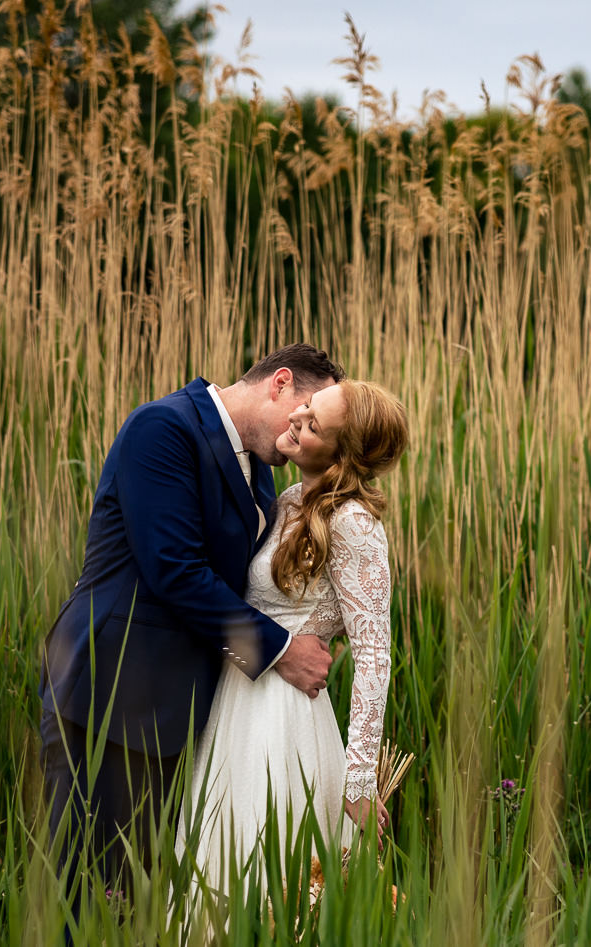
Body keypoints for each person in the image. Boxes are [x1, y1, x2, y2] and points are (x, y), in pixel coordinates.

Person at [38, 344, 344, 895]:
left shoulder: (259, 470)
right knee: (88, 899)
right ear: (279, 383)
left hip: (178, 718)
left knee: (136, 902)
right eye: (305, 413)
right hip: (110, 698)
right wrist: (280, 650)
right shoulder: (163, 428)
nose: (304, 432)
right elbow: (175, 571)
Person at [178, 379, 408, 894]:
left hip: (286, 715)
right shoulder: (283, 500)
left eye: (314, 424)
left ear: (343, 453)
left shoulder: (353, 523)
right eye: (304, 407)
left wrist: (360, 779)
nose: (298, 419)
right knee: (218, 864)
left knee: (276, 872)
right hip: (234, 704)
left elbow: (373, 653)